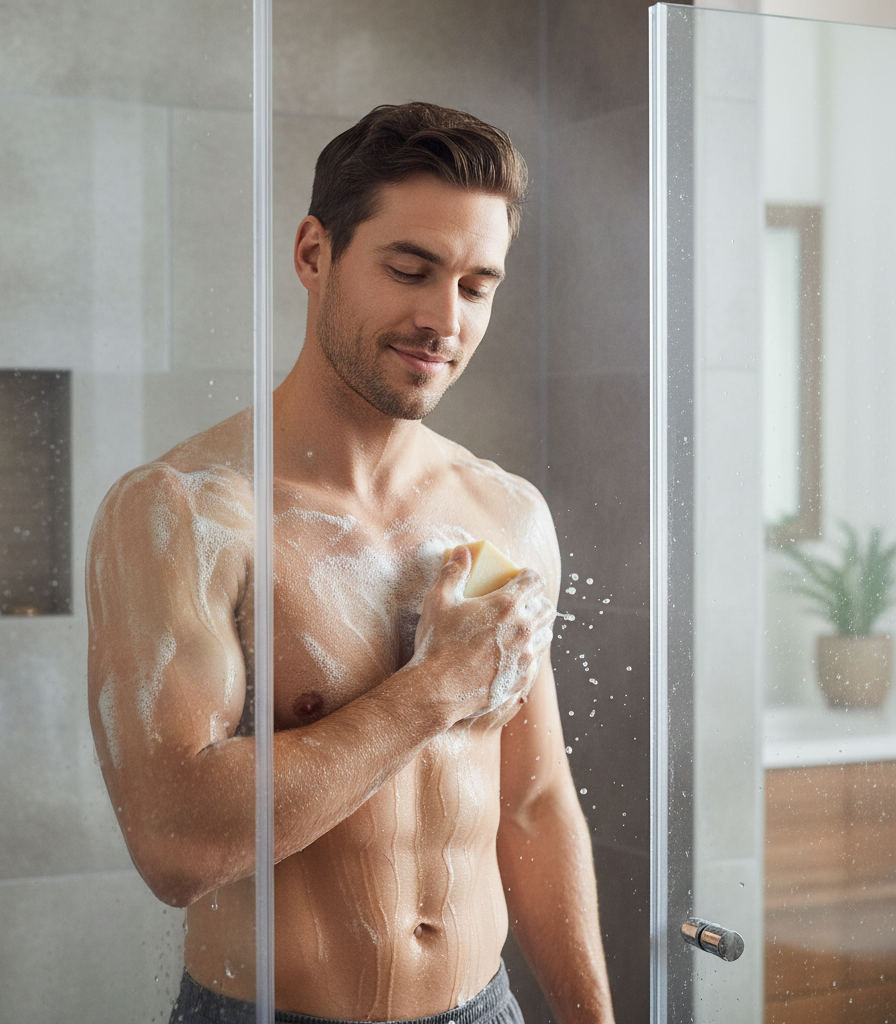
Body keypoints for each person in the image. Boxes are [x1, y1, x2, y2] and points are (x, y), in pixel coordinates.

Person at [87, 102, 615, 1024]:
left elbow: (533, 806)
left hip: (485, 1009)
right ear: (313, 254)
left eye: (477, 285)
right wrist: (433, 690)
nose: (442, 318)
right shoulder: (188, 511)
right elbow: (173, 846)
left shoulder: (507, 514)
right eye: (410, 269)